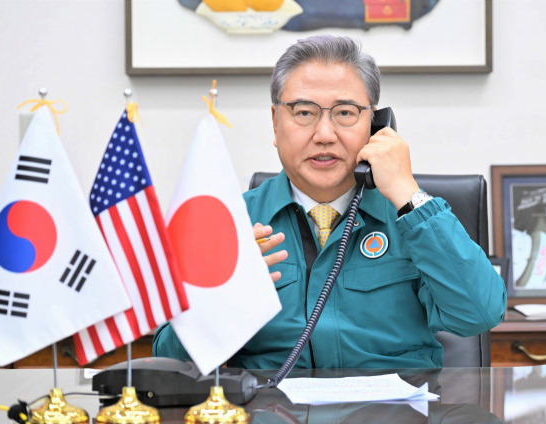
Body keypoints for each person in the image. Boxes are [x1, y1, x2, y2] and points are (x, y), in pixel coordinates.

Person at [153, 35, 507, 369]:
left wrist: (407, 192)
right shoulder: (230, 221)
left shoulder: (413, 219)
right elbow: (170, 359)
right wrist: (224, 296)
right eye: (304, 112)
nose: (324, 135)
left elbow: (480, 313)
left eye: (345, 113)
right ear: (276, 124)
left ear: (376, 124)